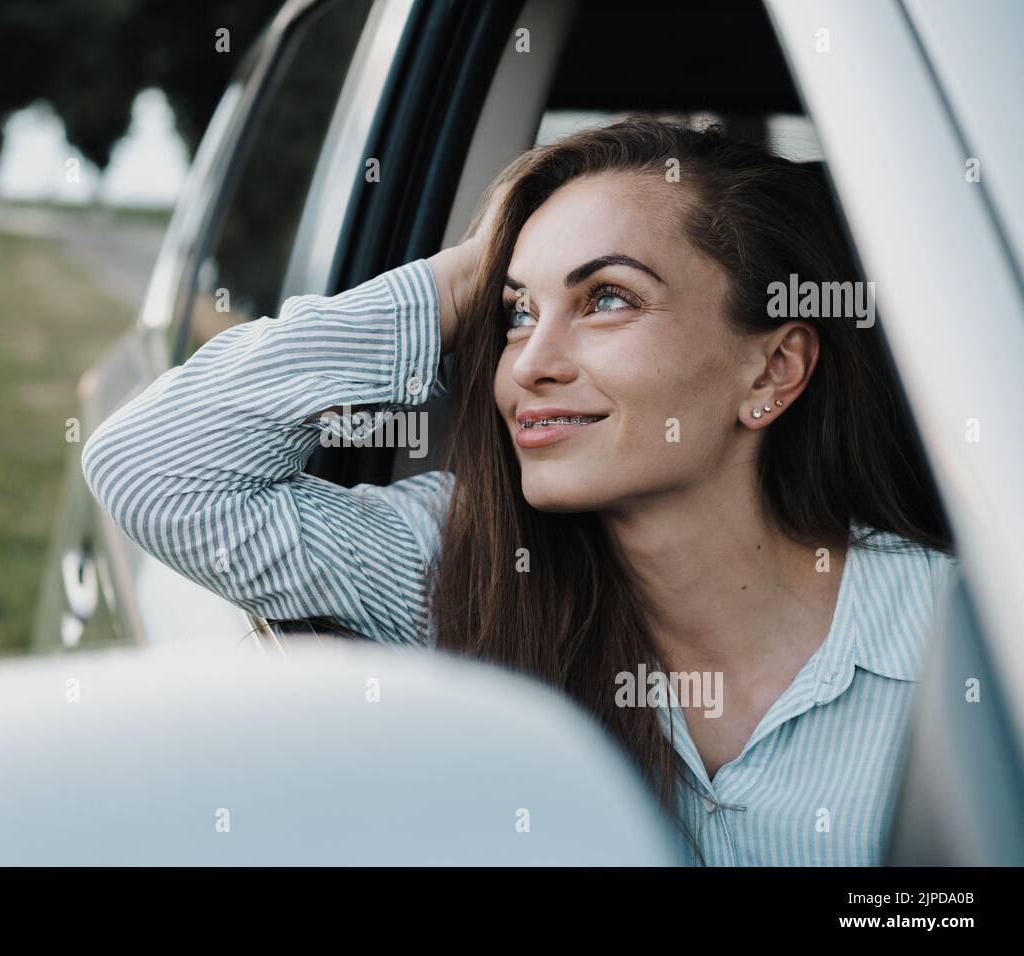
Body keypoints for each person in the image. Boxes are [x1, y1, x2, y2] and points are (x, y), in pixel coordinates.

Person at [82, 118, 957, 865]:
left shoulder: (964, 637)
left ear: (773, 367)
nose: (529, 365)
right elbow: (151, 464)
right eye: (514, 314)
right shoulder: (464, 568)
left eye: (608, 298)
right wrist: (463, 273)